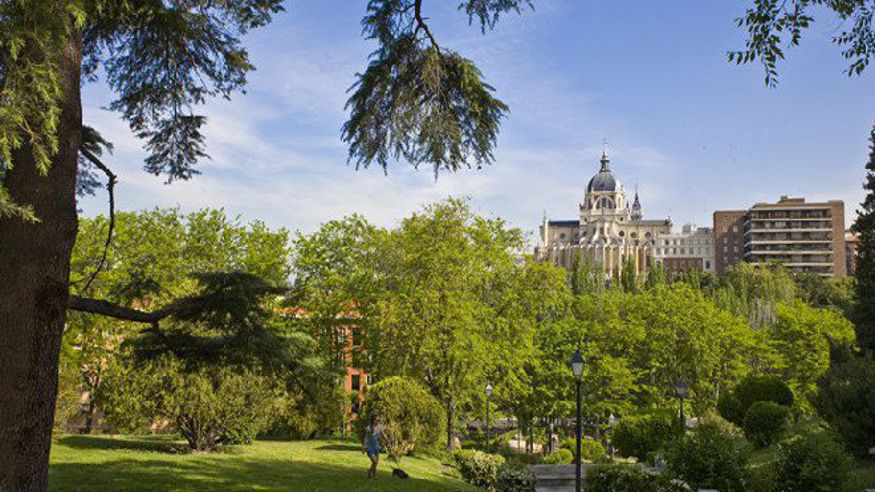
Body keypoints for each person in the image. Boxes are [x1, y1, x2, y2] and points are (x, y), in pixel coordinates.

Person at [362, 414, 383, 479]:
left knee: (376, 463)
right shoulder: (369, 428)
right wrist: (363, 447)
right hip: (369, 447)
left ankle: (373, 475)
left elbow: (382, 434)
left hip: (376, 446)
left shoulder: (379, 426)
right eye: (377, 420)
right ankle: (370, 472)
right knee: (375, 461)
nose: (379, 421)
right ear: (374, 421)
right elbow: (366, 438)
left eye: (379, 420)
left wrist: (386, 440)